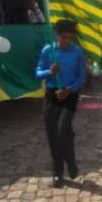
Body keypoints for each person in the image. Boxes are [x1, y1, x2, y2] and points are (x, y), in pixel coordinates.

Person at [36, 20, 87, 188]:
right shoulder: (47, 50)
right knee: (52, 134)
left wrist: (69, 89)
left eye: (70, 38)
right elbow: (38, 72)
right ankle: (57, 172)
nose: (67, 41)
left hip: (70, 95)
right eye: (64, 37)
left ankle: (71, 161)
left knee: (63, 129)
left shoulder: (77, 52)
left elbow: (82, 76)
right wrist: (49, 71)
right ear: (57, 35)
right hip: (52, 94)